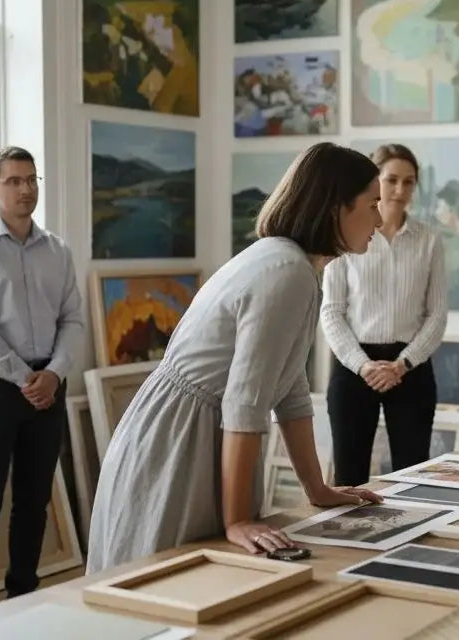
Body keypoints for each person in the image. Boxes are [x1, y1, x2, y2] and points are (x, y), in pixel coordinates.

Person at [86, 143, 384, 573]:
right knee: (161, 582)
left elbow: (290, 389)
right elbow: (244, 401)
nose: (379, 218)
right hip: (182, 437)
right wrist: (238, 518)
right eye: (372, 204)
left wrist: (317, 488)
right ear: (336, 206)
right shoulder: (287, 272)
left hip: (194, 429)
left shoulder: (295, 265)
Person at [0, 146, 84, 613]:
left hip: (48, 384)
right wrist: (28, 377)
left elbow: (73, 320)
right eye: (14, 181)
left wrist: (54, 374)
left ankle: (22, 601)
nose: (26, 189)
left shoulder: (58, 251)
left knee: (34, 501)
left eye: (31, 180)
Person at [321, 144, 448, 485]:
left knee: (412, 476)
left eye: (409, 182)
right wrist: (363, 365)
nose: (400, 191)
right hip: (353, 366)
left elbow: (436, 315)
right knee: (349, 477)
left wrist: (402, 365)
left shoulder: (429, 240)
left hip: (410, 369)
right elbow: (331, 312)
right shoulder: (345, 236)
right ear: (375, 182)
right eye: (391, 180)